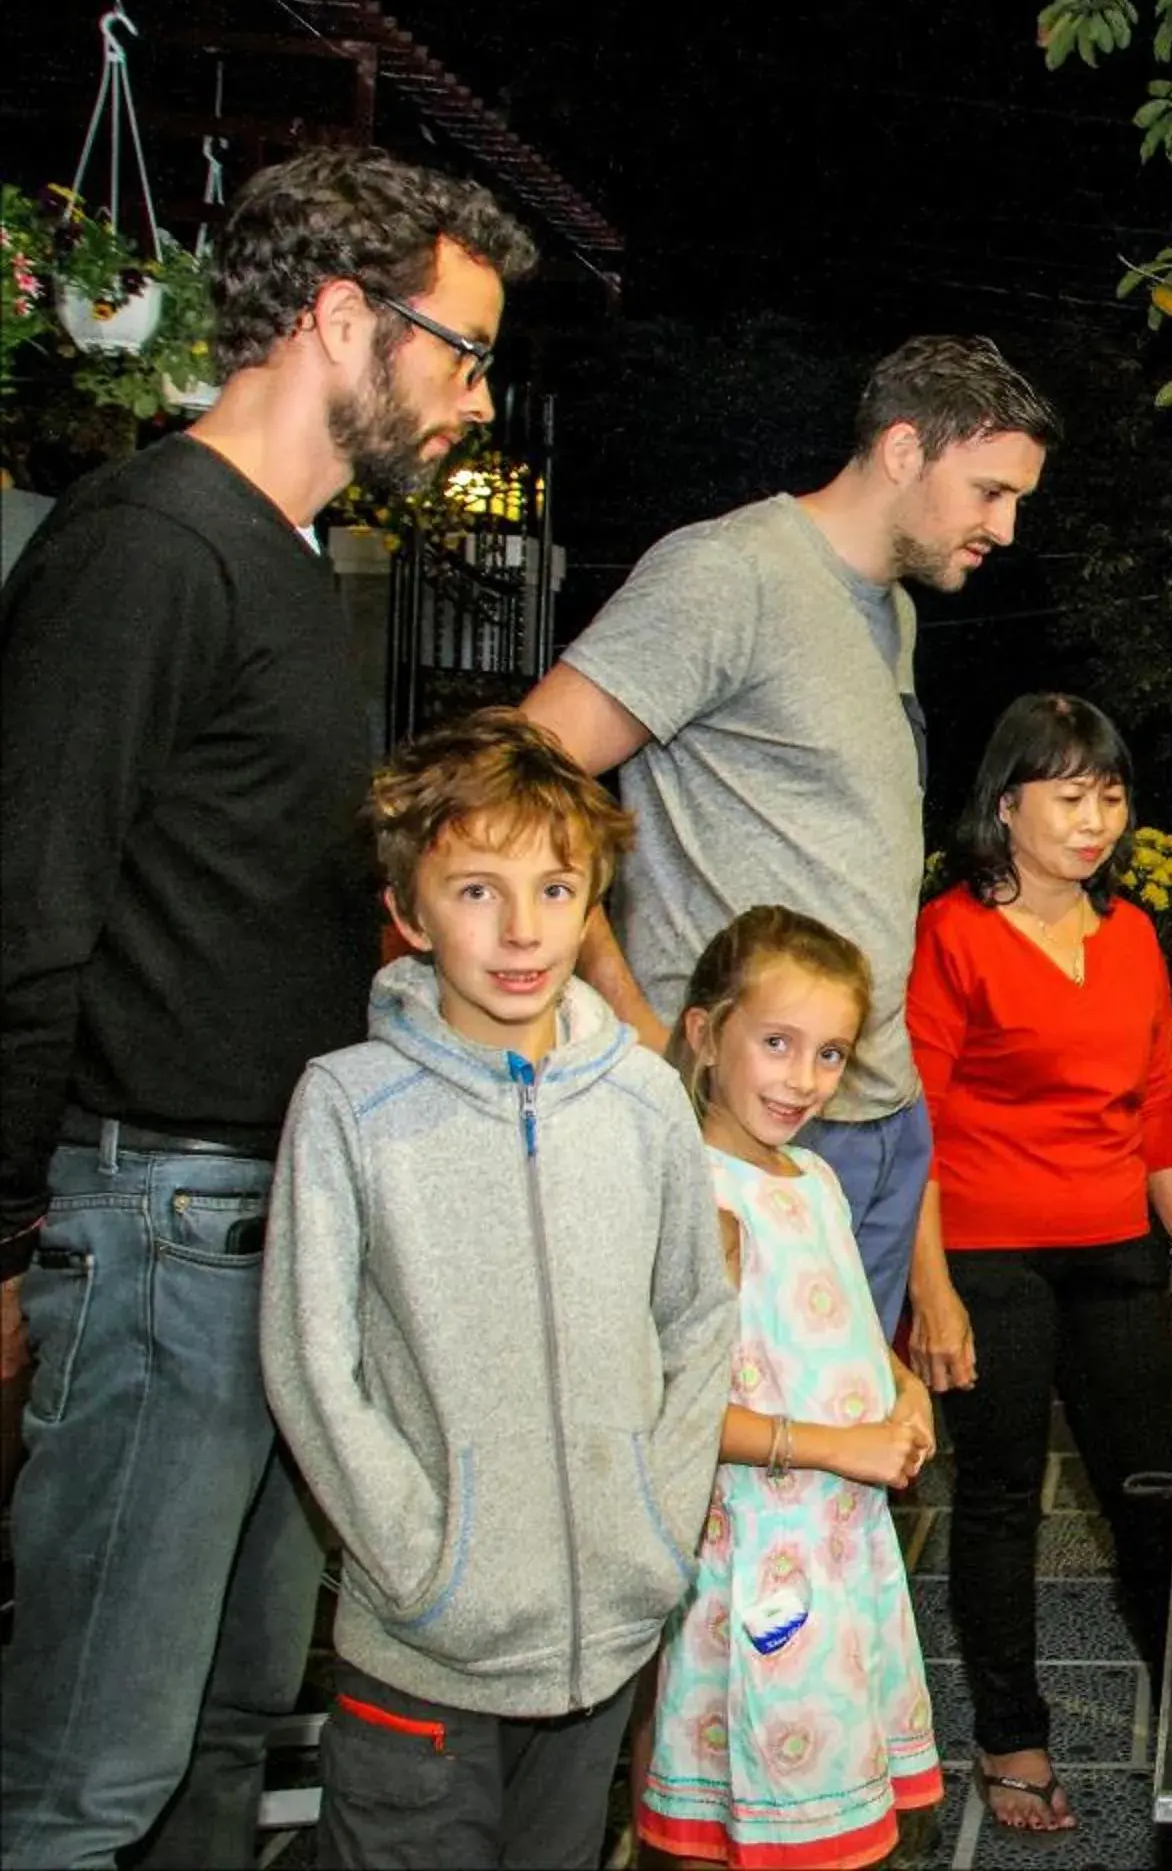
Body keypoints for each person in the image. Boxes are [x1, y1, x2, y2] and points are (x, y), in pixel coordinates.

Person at [0, 147, 535, 1869]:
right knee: (92, 1772)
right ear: (332, 317)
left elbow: (231, 885)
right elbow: (26, 910)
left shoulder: (291, 560)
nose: (472, 401)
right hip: (158, 1227)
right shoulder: (149, 546)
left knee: (233, 1731)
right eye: (460, 352)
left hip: (275, 1220)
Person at [260, 711, 734, 1869]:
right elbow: (312, 1360)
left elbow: (698, 1316)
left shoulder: (644, 1098)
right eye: (476, 890)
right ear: (409, 911)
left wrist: (654, 1533)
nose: (523, 929)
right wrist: (427, 1566)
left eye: (556, 887)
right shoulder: (347, 1105)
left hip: (603, 1646)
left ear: (592, 902)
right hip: (425, 1652)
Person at [520, 335, 1060, 1334]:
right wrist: (627, 1011)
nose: (1007, 526)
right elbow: (514, 778)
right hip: (738, 1119)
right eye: (989, 491)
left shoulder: (888, 609)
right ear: (903, 449)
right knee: (720, 1457)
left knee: (837, 1454)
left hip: (876, 1118)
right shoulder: (731, 574)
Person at [903, 695, 1172, 1834]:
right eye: (1070, 795)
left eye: (1111, 795)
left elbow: (1159, 1099)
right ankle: (1009, 1733)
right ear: (1005, 804)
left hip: (1113, 1241)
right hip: (985, 1249)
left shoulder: (1127, 932)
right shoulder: (952, 932)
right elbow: (914, 1123)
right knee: (998, 1502)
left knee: (1151, 1486)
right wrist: (928, 1284)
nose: (1095, 820)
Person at [639, 907, 943, 1870]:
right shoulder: (695, 1193)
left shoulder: (813, 1176)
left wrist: (901, 1388)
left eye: (828, 1054)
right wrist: (833, 1447)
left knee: (831, 1809)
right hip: (755, 1556)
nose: (803, 1080)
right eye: (777, 1044)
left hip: (840, 1545)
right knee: (747, 1802)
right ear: (703, 1033)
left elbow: (846, 1323)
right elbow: (669, 1412)